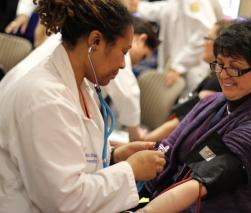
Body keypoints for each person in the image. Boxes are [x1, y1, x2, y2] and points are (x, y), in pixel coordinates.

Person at [0, 0, 166, 212]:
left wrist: (114, 157)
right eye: (123, 52)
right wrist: (131, 170)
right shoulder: (44, 99)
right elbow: (64, 201)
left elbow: (71, 154)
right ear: (95, 41)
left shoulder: (80, 86)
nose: (124, 64)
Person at [138, 18, 251, 212]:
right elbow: (167, 148)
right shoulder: (212, 103)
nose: (224, 75)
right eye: (219, 64)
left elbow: (199, 184)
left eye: (234, 68)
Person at [144, 19, 231, 142]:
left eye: (208, 38)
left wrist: (145, 140)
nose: (203, 44)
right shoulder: (213, 76)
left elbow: (184, 120)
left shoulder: (218, 81)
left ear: (220, 45)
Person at [129, 0, 222, 98]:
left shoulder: (197, 2)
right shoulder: (177, 2)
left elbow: (204, 34)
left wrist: (179, 66)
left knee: (187, 104)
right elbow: (165, 10)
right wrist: (140, 7)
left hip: (190, 69)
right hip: (175, 65)